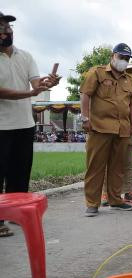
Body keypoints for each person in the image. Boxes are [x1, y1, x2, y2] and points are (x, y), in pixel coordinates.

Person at [0, 11, 60, 237]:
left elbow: (37, 82)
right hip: (1, 127)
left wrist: (46, 82)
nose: (6, 31)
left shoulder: (25, 56)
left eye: (8, 27)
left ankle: (17, 214)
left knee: (20, 172)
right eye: (2, 28)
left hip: (24, 124)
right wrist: (31, 92)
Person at [80, 43, 132, 217]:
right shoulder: (97, 72)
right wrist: (85, 118)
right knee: (95, 166)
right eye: (121, 57)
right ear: (113, 56)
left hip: (122, 129)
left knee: (117, 167)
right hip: (100, 127)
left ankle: (115, 200)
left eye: (127, 59)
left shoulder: (129, 80)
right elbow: (85, 94)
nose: (124, 61)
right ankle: (92, 203)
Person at [101, 63, 132, 205]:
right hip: (112, 129)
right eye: (129, 71)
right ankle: (105, 194)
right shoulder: (110, 86)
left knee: (128, 163)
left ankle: (128, 192)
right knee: (109, 163)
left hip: (130, 131)